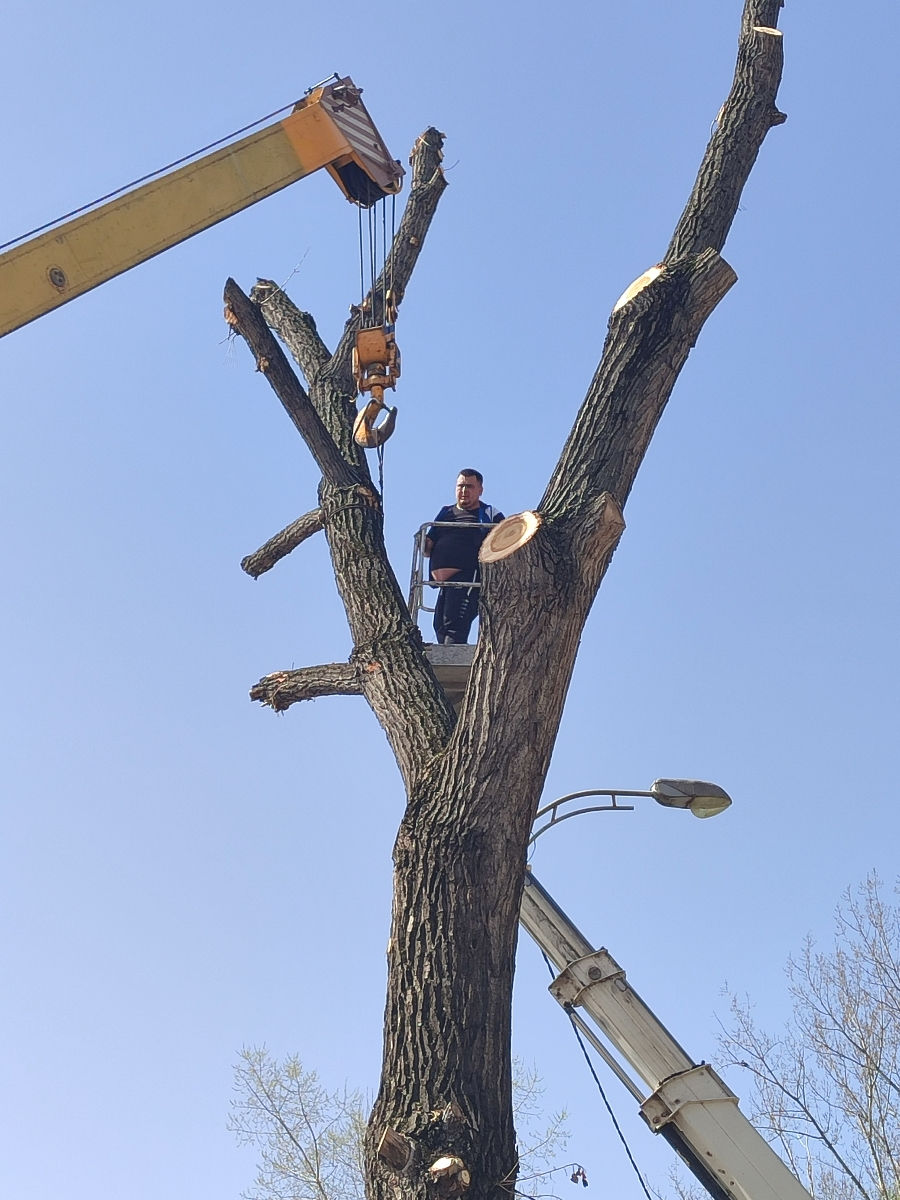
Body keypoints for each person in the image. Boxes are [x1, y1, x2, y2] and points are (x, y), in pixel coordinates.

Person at [424, 469, 504, 644]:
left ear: (480, 490)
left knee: (455, 622)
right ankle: (446, 653)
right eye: (460, 486)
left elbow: (504, 541)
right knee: (439, 624)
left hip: (469, 576)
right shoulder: (446, 512)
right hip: (445, 583)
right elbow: (429, 542)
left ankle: (453, 652)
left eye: (469, 486)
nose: (464, 491)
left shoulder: (489, 513)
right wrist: (424, 542)